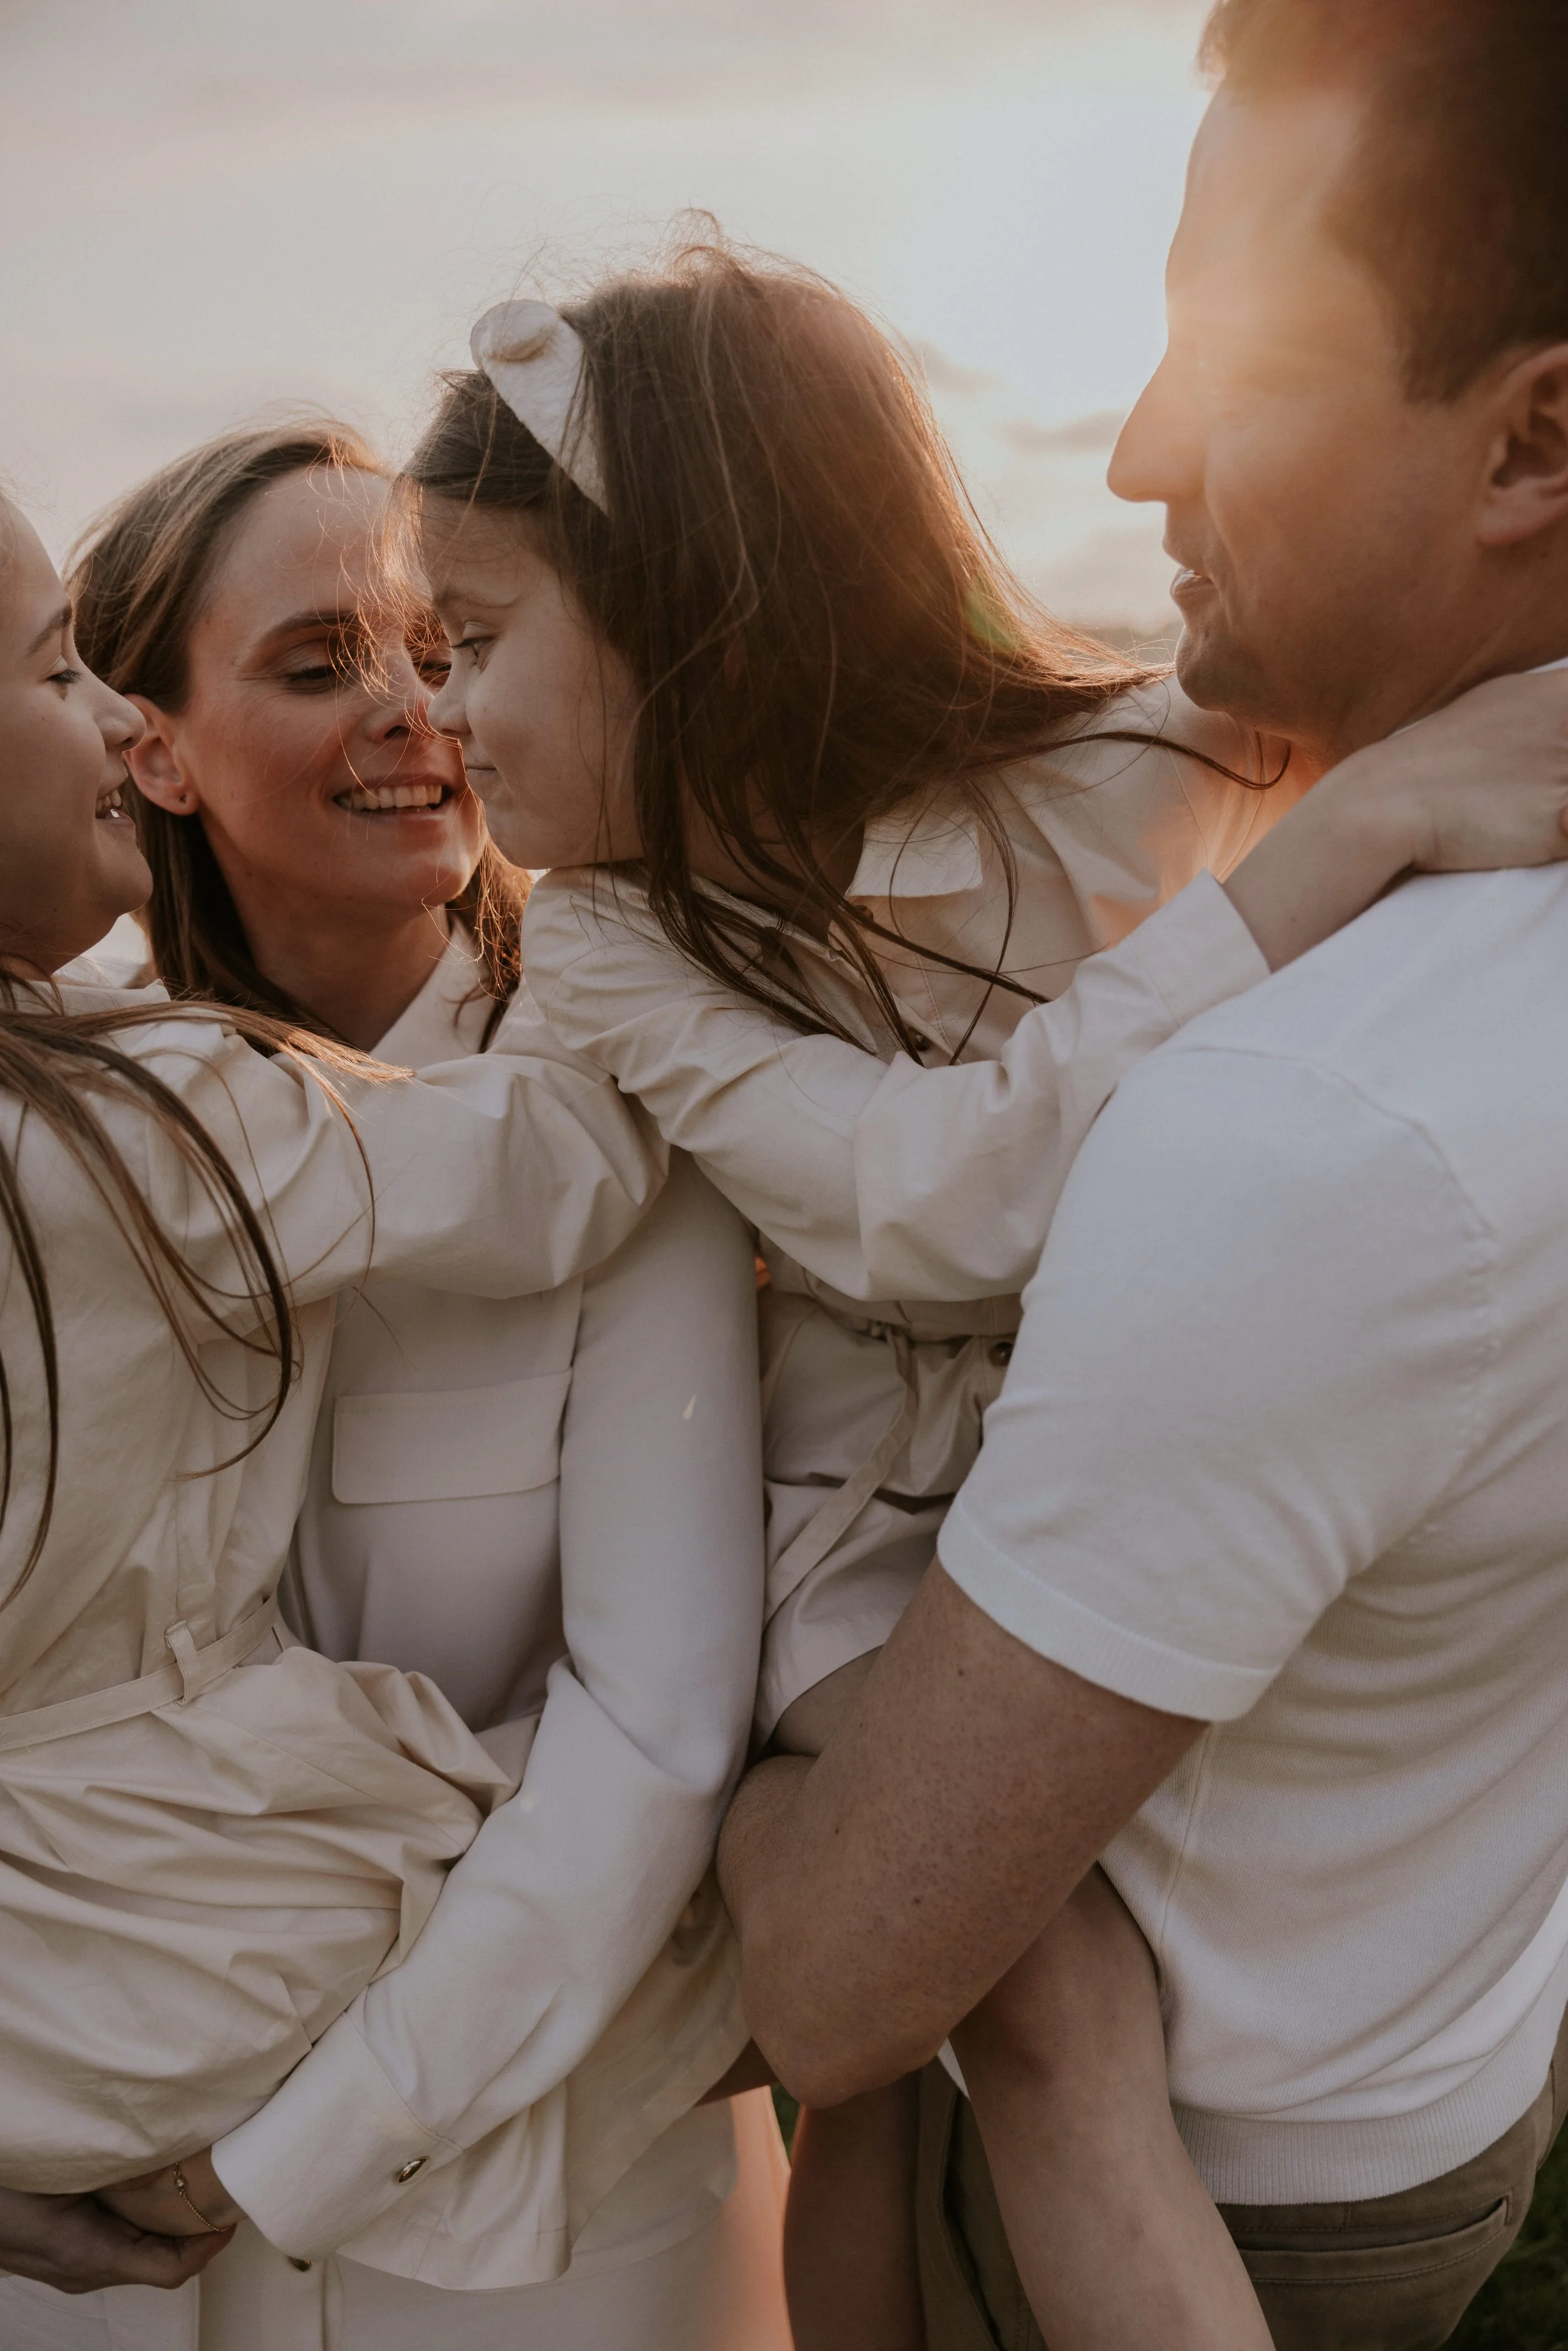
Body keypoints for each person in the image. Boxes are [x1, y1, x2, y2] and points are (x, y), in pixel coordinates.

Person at [403, 245, 1568, 2347]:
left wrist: (1389, 784)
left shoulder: (1136, 759)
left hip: (1080, 1462)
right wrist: (1356, 830)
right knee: (1021, 1986)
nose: (443, 712)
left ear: (697, 601)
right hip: (844, 1521)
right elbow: (917, 1208)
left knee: (979, 2011)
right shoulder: (600, 935)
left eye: (477, 638)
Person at [714, 4, 1568, 2347]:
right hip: (1436, 2051)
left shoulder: (1303, 1136)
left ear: (1537, 433)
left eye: (1238, 359)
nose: (1133, 447)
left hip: (1206, 2194)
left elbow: (836, 1975)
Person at [0, 481, 770, 2349]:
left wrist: (289, 2154)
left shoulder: (621, 1109)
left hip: (526, 2236)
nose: (418, 709)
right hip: (78, 2237)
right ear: (160, 747)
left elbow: (654, 1739)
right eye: (321, 658)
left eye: (446, 650)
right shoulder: (125, 1107)